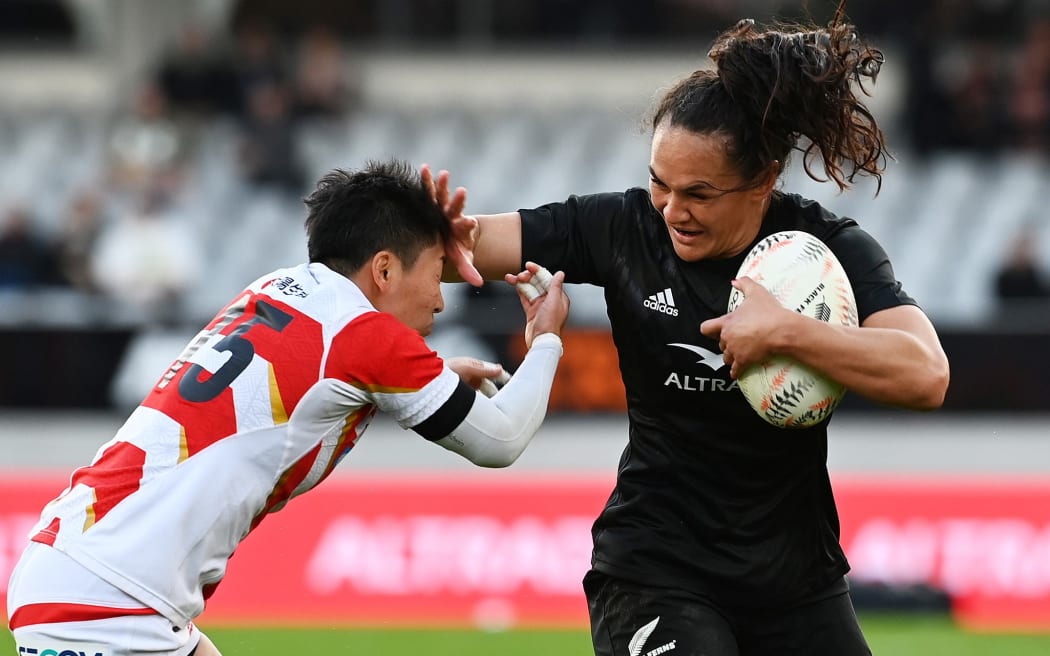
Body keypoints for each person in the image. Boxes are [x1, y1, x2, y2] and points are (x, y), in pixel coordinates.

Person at [431, 5, 951, 655]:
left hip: (796, 582)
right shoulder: (621, 229)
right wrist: (416, 237)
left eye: (699, 194)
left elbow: (926, 374)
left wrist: (786, 333)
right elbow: (469, 244)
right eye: (660, 185)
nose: (673, 210)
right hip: (654, 574)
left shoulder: (827, 248)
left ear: (762, 181)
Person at [6, 160, 570, 656]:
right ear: (384, 270)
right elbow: (501, 439)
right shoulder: (366, 336)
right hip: (109, 604)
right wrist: (545, 339)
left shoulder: (276, 288)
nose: (441, 299)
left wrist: (436, 374)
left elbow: (302, 384)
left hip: (81, 568)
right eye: (433, 273)